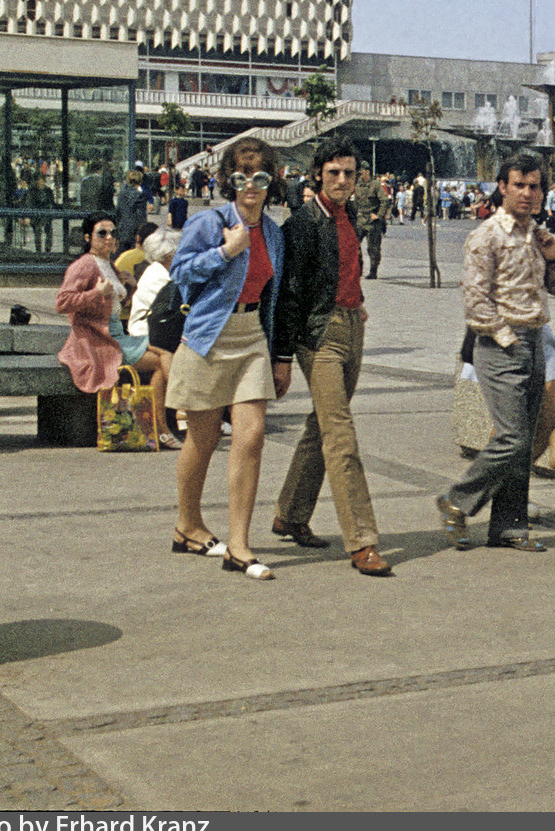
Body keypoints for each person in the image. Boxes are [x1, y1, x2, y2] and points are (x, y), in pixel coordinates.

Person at [165, 137, 287, 580]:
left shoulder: (274, 232)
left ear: (270, 182)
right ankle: (188, 525)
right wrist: (226, 251)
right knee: (203, 438)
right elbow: (179, 272)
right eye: (241, 178)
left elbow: (275, 294)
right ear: (228, 181)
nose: (250, 187)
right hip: (207, 337)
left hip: (252, 335)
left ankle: (239, 544)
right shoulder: (209, 222)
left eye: (259, 178)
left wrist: (279, 355)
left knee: (251, 436)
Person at [268, 142, 391, 577]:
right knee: (340, 434)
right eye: (335, 172)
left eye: (350, 173)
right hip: (318, 335)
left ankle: (290, 512)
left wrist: (357, 304)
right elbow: (287, 295)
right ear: (318, 174)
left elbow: (344, 268)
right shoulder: (300, 224)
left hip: (351, 324)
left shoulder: (351, 214)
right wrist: (282, 356)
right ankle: (362, 540)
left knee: (322, 424)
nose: (343, 180)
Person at [440, 153, 555, 552]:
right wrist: (507, 339)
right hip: (499, 343)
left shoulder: (537, 235)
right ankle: (457, 500)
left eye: (535, 187)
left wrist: (553, 259)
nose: (528, 194)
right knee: (512, 437)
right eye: (519, 185)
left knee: (524, 438)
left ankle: (509, 526)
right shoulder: (487, 235)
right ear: (502, 187)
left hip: (534, 339)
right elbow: (475, 301)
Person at [55, 214, 145, 394]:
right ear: (88, 238)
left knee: (164, 347)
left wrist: (131, 288)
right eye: (102, 233)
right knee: (161, 358)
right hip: (97, 340)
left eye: (113, 232)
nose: (109, 238)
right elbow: (62, 303)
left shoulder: (108, 264)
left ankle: (162, 417)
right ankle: (164, 417)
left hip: (116, 334)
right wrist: (96, 292)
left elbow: (110, 305)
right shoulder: (86, 264)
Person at [125, 227, 185, 450]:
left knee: (163, 364)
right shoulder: (159, 275)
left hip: (157, 331)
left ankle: (165, 426)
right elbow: (170, 311)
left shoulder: (159, 271)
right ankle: (181, 410)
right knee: (167, 358)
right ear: (169, 254)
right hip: (146, 332)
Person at [350, 166, 387, 279]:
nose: (359, 176)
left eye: (361, 173)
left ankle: (373, 270)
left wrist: (379, 215)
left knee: (373, 248)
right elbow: (355, 203)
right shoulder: (358, 186)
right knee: (353, 244)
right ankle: (359, 267)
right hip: (360, 220)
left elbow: (384, 201)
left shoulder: (375, 185)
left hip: (372, 222)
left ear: (367, 172)